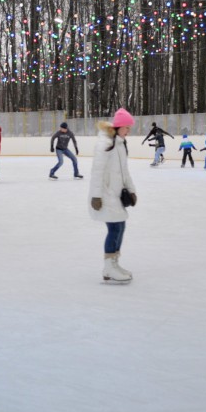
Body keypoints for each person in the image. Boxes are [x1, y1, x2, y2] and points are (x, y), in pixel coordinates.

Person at [89, 108, 138, 284]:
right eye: (127, 127)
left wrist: (131, 190)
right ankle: (109, 267)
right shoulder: (105, 144)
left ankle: (114, 263)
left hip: (116, 195)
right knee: (115, 228)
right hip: (105, 194)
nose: (129, 131)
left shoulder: (120, 144)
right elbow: (97, 172)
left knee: (120, 227)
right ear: (118, 127)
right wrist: (96, 196)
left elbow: (125, 172)